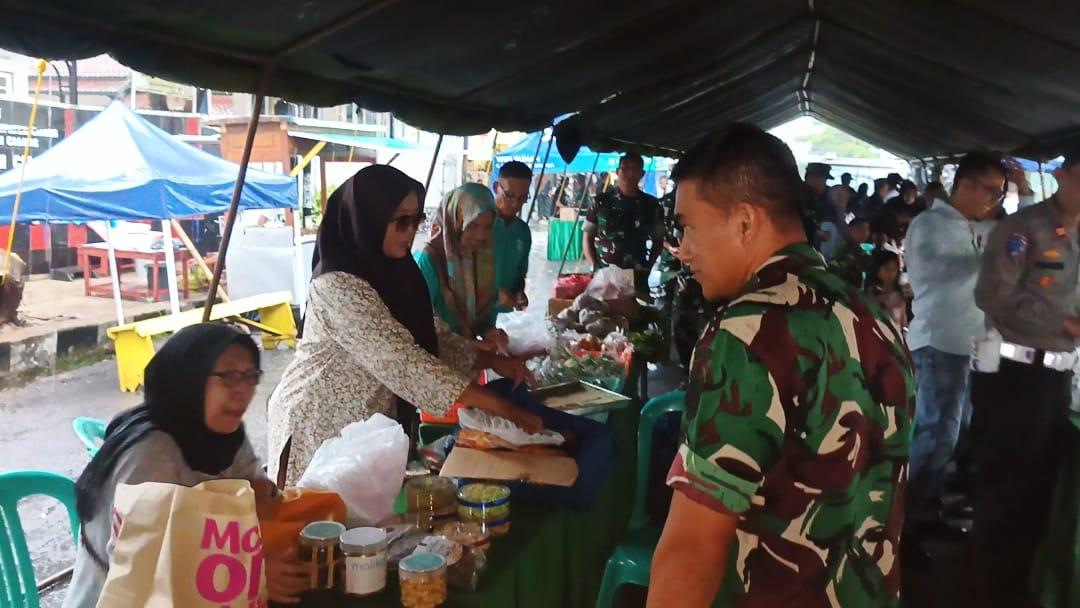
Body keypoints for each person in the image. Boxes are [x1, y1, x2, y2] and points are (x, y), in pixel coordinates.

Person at [647, 124, 914, 607]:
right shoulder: (876, 319)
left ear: (744, 222)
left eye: (688, 225)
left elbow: (691, 553)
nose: (684, 250)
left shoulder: (747, 332)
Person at [268, 167, 541, 486]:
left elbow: (433, 336)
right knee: (322, 525)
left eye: (416, 220)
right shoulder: (336, 285)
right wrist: (498, 405)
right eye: (401, 222)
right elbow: (401, 360)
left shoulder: (398, 273)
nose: (410, 232)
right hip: (321, 424)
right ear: (368, 218)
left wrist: (495, 362)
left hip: (370, 426)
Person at [64, 324, 309, 607]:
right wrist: (248, 574)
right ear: (188, 379)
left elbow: (258, 497)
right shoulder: (151, 454)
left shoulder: (224, 436)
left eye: (250, 376)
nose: (243, 390)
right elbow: (141, 567)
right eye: (228, 376)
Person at [970, 151, 1080, 607]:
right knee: (1005, 490)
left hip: (1059, 378)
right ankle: (990, 587)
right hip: (1014, 374)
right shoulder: (1021, 228)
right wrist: (1065, 323)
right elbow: (991, 295)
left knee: (1040, 490)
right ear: (1061, 176)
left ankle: (1022, 584)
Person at [902, 152, 1015, 556]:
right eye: (991, 191)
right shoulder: (930, 224)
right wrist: (991, 255)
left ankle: (926, 511)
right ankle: (906, 524)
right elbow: (935, 272)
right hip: (939, 343)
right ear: (964, 184)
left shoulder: (967, 226)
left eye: (1001, 193)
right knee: (935, 435)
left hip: (966, 344)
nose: (996, 200)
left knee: (951, 434)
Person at [415, 183, 503, 344]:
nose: (480, 236)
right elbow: (418, 323)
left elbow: (484, 311)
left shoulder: (482, 258)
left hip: (470, 358)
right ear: (454, 220)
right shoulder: (428, 259)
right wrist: (463, 345)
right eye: (472, 225)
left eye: (487, 227)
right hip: (435, 358)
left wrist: (488, 331)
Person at [583, 153, 664, 295]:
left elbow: (658, 241)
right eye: (625, 169)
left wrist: (647, 268)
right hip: (605, 275)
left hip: (636, 276)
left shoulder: (652, 205)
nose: (630, 173)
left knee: (635, 315)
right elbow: (587, 238)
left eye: (635, 169)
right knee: (600, 315)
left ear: (642, 173)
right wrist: (595, 268)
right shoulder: (600, 201)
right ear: (617, 171)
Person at [658, 187, 708, 369]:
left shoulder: (710, 203)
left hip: (703, 270)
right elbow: (658, 234)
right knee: (679, 319)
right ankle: (686, 369)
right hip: (681, 271)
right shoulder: (666, 203)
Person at [491, 161, 532, 313]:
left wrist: (519, 293)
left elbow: (520, 274)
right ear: (496, 188)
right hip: (469, 310)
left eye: (522, 198)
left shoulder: (523, 231)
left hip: (498, 316)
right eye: (508, 195)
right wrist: (494, 295)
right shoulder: (478, 224)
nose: (515, 203)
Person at [868, 249, 908, 329]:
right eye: (887, 269)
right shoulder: (872, 291)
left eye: (894, 268)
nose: (892, 273)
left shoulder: (905, 287)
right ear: (878, 270)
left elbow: (912, 310)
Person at [829, 217, 873, 287]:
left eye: (867, 231)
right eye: (860, 230)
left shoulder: (859, 249)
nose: (865, 234)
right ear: (850, 230)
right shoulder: (842, 247)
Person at [802, 161, 832, 248]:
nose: (824, 184)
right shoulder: (802, 197)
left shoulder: (816, 198)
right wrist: (821, 234)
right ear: (812, 178)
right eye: (823, 180)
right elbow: (801, 224)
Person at [819, 184, 853, 259]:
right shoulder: (828, 222)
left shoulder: (843, 217)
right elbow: (825, 253)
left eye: (845, 197)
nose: (843, 200)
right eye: (839, 196)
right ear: (830, 197)